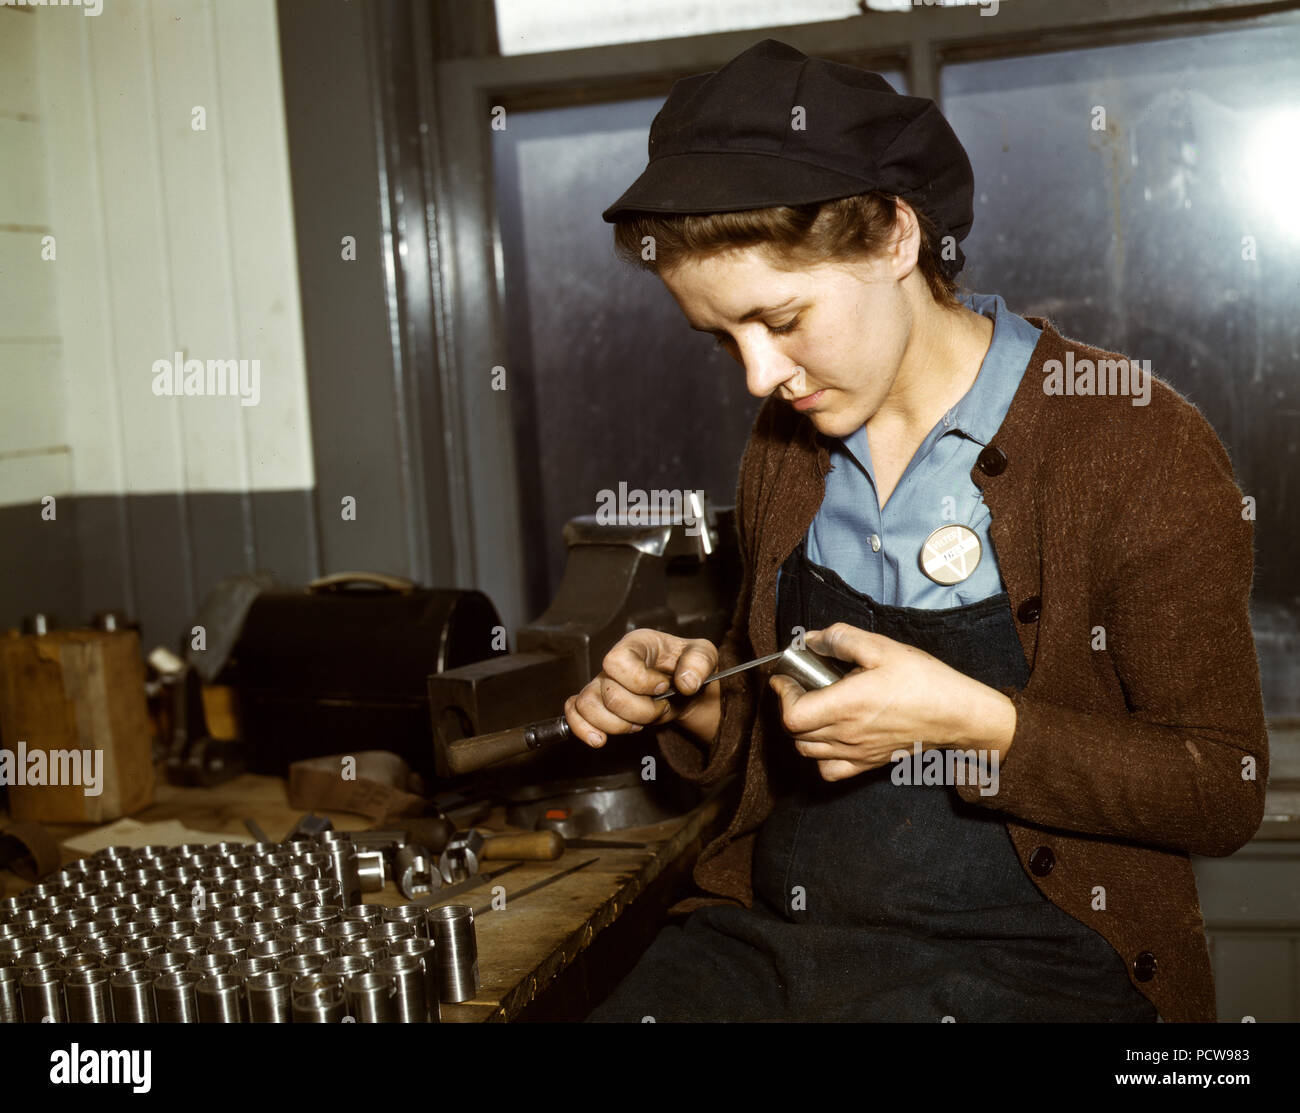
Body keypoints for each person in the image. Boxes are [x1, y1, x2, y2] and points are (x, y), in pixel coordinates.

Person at [564, 39, 1268, 1022]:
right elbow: (781, 735)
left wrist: (974, 724)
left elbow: (1220, 790)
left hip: (1037, 967)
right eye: (722, 339)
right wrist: (686, 698)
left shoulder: (1131, 443)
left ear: (894, 238)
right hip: (784, 945)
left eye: (782, 318)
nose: (759, 378)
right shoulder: (788, 443)